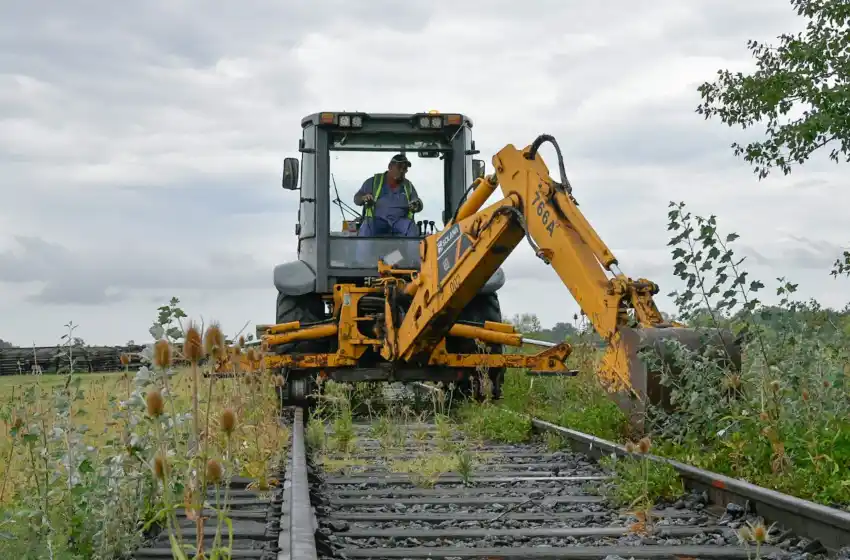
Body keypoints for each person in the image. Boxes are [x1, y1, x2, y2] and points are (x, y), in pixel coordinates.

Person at [354, 153, 423, 237]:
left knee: (411, 227)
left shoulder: (408, 185)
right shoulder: (373, 182)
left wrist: (417, 205)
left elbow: (418, 203)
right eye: (399, 167)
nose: (402, 171)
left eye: (404, 169)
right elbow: (357, 199)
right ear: (390, 166)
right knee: (367, 226)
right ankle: (364, 250)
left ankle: (414, 250)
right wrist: (363, 198)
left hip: (400, 221)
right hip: (377, 221)